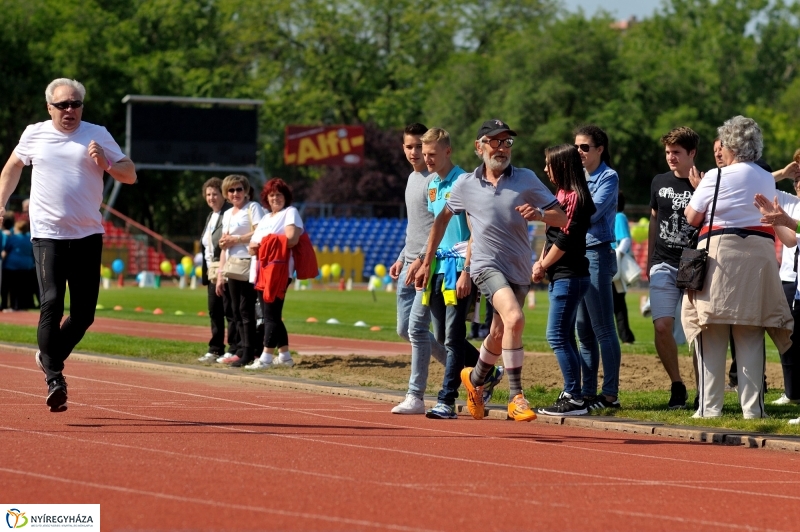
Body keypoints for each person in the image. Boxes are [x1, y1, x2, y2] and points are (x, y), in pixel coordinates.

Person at [0, 78, 137, 412]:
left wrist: (106, 164)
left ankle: (47, 355)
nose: (70, 110)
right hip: (47, 234)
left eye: (76, 104)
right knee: (51, 304)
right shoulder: (34, 133)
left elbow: (130, 173)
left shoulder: (97, 133)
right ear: (50, 108)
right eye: (63, 105)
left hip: (88, 234)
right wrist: (0, 204)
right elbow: (12, 167)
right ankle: (54, 378)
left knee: (84, 315)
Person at [418, 119, 566, 422]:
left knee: (500, 332)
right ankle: (516, 397)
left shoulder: (525, 179)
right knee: (515, 317)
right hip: (486, 265)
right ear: (479, 147)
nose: (501, 148)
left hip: (518, 266)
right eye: (494, 141)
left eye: (506, 142)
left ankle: (474, 380)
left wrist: (539, 214)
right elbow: (442, 219)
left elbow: (562, 218)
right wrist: (426, 260)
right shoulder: (466, 185)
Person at [683, 115, 792, 419]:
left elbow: (692, 217)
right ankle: (753, 410)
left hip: (720, 254)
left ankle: (709, 407)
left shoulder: (716, 177)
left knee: (711, 330)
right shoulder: (766, 177)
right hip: (760, 256)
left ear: (730, 145)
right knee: (751, 331)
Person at [412, 128, 473, 419]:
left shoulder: (464, 182)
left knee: (453, 335)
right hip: (436, 264)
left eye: (432, 154)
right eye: (424, 155)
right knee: (444, 336)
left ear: (448, 151)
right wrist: (423, 260)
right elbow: (434, 231)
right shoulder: (433, 185)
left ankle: (446, 399)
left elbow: (476, 230)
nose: (427, 159)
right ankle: (487, 370)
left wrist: (468, 270)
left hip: (457, 267)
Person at [389, 123, 449, 414]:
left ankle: (415, 395)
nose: (414, 153)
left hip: (427, 265)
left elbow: (437, 228)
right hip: (408, 265)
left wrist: (422, 260)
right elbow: (416, 226)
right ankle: (468, 368)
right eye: (409, 147)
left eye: (419, 147)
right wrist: (402, 257)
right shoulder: (412, 178)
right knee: (404, 329)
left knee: (416, 329)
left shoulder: (434, 181)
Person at [533, 144, 596, 416]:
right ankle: (573, 392)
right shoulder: (560, 195)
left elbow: (565, 240)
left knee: (556, 335)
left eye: (549, 164)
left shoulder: (575, 199)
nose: (545, 169)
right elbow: (550, 237)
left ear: (562, 166)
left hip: (570, 276)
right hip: (562, 275)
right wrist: (540, 262)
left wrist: (542, 265)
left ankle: (574, 397)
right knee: (565, 336)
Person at [648, 127, 702, 409]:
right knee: (662, 325)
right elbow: (654, 220)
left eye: (676, 152)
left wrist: (698, 190)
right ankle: (677, 385)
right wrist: (649, 260)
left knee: (696, 330)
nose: (670, 157)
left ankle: (702, 390)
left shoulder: (706, 182)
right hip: (663, 263)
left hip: (694, 262)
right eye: (668, 152)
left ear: (691, 153)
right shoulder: (659, 181)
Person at [573, 125, 622, 411]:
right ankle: (588, 392)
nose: (579, 151)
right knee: (583, 329)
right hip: (578, 254)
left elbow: (590, 212)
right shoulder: (577, 176)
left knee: (603, 327)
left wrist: (565, 207)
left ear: (600, 149)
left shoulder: (609, 177)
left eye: (585, 147)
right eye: (576, 147)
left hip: (596, 254)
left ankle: (610, 394)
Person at [246, 178, 306, 369]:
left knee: (270, 315)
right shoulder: (265, 218)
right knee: (270, 314)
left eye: (279, 194)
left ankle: (265, 358)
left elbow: (291, 239)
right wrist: (254, 247)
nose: (275, 198)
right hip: (259, 271)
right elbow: (252, 246)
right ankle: (285, 356)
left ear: (285, 196)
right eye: (271, 195)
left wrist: (262, 245)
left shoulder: (290, 213)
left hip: (277, 270)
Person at [215, 175, 264, 368]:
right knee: (235, 310)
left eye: (239, 189)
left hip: (249, 262)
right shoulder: (227, 214)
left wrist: (237, 239)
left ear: (246, 191)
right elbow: (225, 246)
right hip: (232, 264)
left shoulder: (253, 208)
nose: (236, 193)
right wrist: (220, 274)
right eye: (231, 190)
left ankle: (249, 352)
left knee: (246, 309)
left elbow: (261, 231)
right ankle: (243, 349)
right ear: (226, 194)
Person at [197, 178, 239, 363]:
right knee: (214, 310)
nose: (211, 198)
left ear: (223, 195)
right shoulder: (210, 216)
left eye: (215, 194)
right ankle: (215, 349)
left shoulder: (228, 215)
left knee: (229, 310)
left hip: (225, 267)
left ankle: (234, 348)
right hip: (211, 270)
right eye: (208, 194)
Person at [612, 191, 635, 344]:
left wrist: (617, 255)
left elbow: (625, 239)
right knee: (618, 303)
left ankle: (625, 336)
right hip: (612, 263)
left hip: (613, 264)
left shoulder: (618, 216)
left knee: (617, 303)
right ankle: (626, 337)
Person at [2, 219, 36, 311]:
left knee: (12, 287)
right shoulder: (30, 238)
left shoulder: (13, 238)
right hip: (27, 265)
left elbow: (6, 250)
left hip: (12, 265)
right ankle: (22, 305)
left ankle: (11, 305)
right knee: (23, 287)